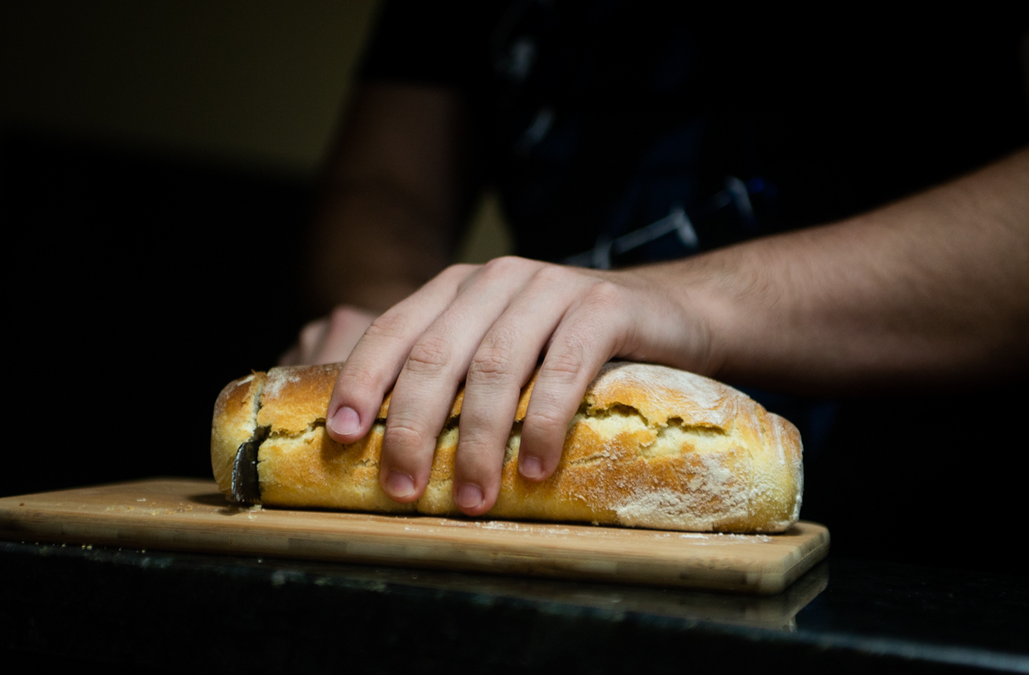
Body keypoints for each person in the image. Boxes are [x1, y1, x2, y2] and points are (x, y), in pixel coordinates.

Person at [284, 2, 1029, 518]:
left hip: (933, 541)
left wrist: (693, 304)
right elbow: (383, 185)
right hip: (541, 532)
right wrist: (406, 336)